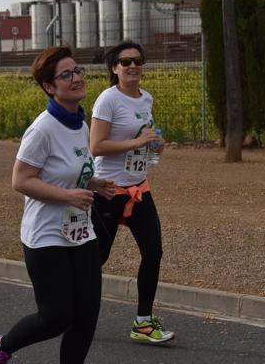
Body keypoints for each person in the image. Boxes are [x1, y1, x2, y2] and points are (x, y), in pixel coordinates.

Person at [0, 46, 115, 364]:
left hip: (81, 232)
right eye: (65, 75)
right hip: (46, 236)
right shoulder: (42, 129)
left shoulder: (79, 125)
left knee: (86, 317)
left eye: (77, 70)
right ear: (49, 87)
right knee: (56, 318)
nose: (76, 78)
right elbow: (21, 180)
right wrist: (69, 196)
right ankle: (0, 347)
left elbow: (70, 171)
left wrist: (94, 183)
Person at [90, 40, 174, 344]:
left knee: (153, 251)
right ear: (115, 68)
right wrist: (135, 143)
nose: (133, 66)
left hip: (139, 188)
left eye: (138, 61)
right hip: (108, 189)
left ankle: (143, 323)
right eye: (125, 62)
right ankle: (70, 309)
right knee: (97, 257)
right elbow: (96, 146)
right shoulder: (107, 100)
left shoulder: (146, 98)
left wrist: (155, 144)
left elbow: (145, 138)